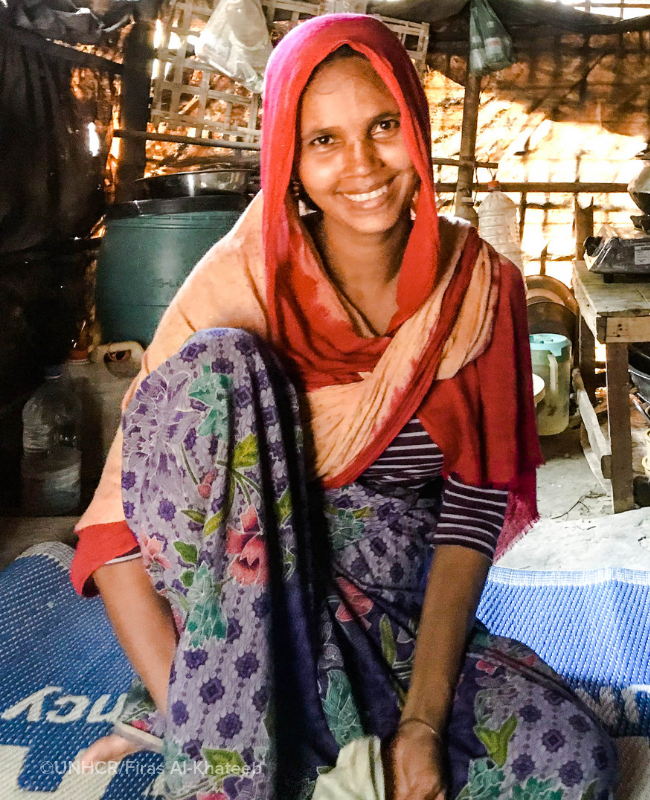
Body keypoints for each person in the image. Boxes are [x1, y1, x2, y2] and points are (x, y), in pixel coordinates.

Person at [70, 14, 618, 800]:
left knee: (567, 762)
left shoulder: (479, 287)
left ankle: (312, 745)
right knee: (219, 367)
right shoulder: (240, 280)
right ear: (287, 159)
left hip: (395, 621)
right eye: (322, 140)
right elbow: (118, 524)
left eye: (383, 125)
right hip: (242, 631)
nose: (360, 164)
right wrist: (199, 732)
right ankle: (234, 739)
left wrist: (425, 724)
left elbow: (469, 514)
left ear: (416, 127)